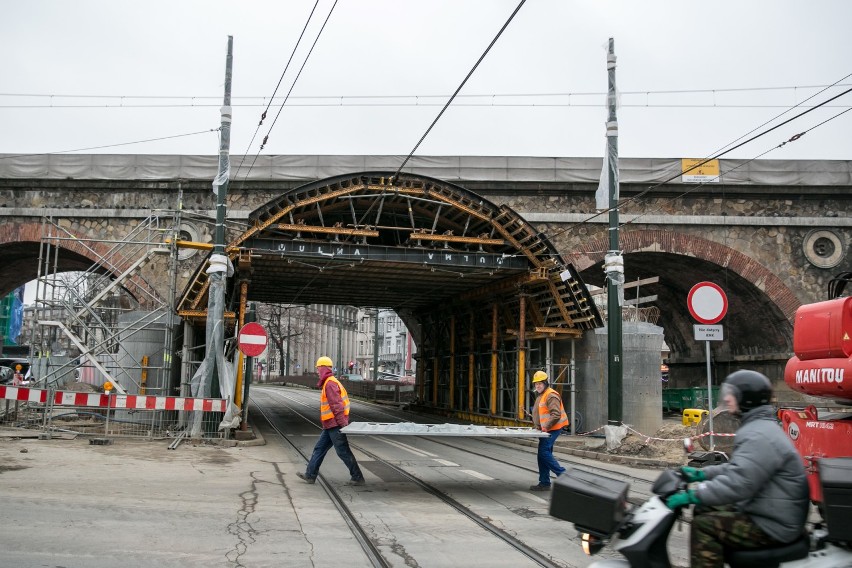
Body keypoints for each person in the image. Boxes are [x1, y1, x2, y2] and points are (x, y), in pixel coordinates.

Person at [665, 369, 809, 568]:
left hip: (773, 523)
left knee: (703, 526)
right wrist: (702, 474)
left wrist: (695, 494)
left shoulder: (759, 435)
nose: (727, 398)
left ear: (746, 399)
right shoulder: (758, 426)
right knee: (705, 507)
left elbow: (740, 483)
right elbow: (737, 468)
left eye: (732, 394)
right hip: (766, 509)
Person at [296, 356, 366, 486]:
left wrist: (342, 424)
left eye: (318, 368)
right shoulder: (330, 381)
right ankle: (310, 475)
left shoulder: (330, 383)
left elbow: (336, 405)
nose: (317, 371)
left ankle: (357, 477)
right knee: (319, 449)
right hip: (330, 424)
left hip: (335, 424)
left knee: (342, 451)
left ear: (323, 368)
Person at [529, 370, 569, 491]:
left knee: (544, 453)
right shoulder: (541, 395)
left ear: (545, 383)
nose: (537, 386)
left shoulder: (551, 395)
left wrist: (546, 425)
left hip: (552, 429)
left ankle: (565, 476)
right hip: (545, 430)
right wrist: (537, 426)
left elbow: (555, 415)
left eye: (540, 383)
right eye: (536, 384)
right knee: (542, 455)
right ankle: (545, 482)